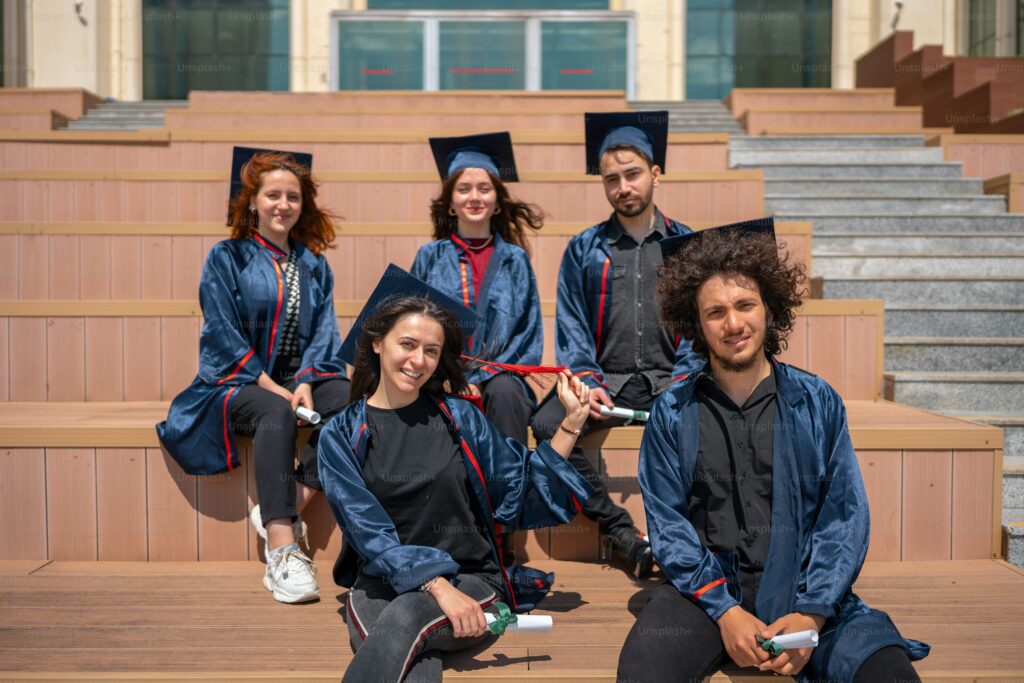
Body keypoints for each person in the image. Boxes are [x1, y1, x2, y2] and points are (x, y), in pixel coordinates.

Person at [616, 218, 929, 682]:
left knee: (889, 674)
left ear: (769, 309)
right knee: (642, 672)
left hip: (808, 590)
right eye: (715, 312)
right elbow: (668, 524)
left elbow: (843, 516)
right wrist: (725, 612)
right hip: (705, 594)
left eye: (745, 305)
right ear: (696, 325)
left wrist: (813, 613)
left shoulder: (815, 401)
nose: (734, 323)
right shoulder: (673, 412)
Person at [317, 266, 593, 683]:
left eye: (431, 350)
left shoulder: (460, 418)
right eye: (407, 344)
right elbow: (367, 530)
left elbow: (521, 491)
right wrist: (436, 587)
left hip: (470, 579)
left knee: (406, 618)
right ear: (377, 343)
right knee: (414, 650)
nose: (419, 361)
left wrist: (571, 424)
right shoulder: (340, 434)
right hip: (382, 581)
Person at [157, 147, 350, 604]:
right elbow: (221, 330)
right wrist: (269, 384)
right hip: (236, 382)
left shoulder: (314, 264)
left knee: (351, 404)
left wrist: (305, 380)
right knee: (275, 413)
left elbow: (324, 332)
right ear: (253, 202)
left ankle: (288, 500)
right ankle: (282, 549)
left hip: (299, 379)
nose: (284, 204)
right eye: (273, 195)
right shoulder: (227, 256)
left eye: (293, 197)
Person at [531, 111, 702, 579]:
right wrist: (588, 382)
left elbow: (701, 328)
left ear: (655, 174)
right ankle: (622, 535)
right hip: (610, 384)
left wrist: (682, 383)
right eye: (612, 179)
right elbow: (572, 327)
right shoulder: (584, 249)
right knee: (547, 423)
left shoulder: (686, 245)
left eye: (632, 175)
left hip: (674, 381)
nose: (623, 186)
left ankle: (688, 538)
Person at [411, 131, 544, 446]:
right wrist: (450, 375)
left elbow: (528, 333)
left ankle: (509, 491)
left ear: (497, 202)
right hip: (438, 372)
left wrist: (483, 378)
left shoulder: (515, 260)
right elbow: (413, 324)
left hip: (501, 377)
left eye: (484, 189)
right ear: (451, 203)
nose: (474, 197)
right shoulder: (430, 257)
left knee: (505, 392)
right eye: (464, 189)